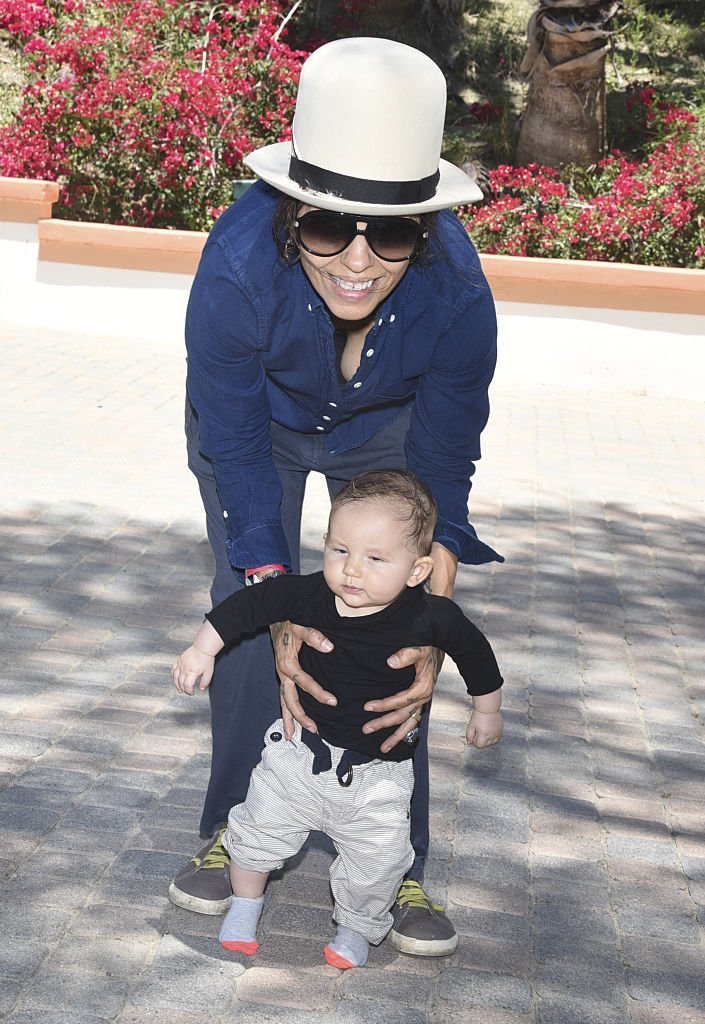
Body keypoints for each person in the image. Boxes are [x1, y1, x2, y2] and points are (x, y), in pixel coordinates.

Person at [168, 35, 503, 956]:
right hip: (259, 434)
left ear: (424, 229)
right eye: (327, 228)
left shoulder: (457, 296)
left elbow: (445, 455)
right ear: (290, 216)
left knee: (399, 633)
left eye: (390, 232)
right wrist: (273, 596)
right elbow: (233, 445)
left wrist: (431, 622)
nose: (358, 260)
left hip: (386, 428)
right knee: (249, 613)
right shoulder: (236, 271)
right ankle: (233, 831)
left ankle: (399, 870)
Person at [172, 471, 504, 968]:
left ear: (416, 572)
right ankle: (245, 906)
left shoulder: (432, 618)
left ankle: (354, 927)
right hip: (298, 752)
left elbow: (477, 655)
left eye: (375, 558)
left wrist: (487, 709)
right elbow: (248, 606)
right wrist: (202, 650)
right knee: (256, 833)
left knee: (377, 863)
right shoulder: (308, 596)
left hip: (380, 775)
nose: (352, 571)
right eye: (339, 550)